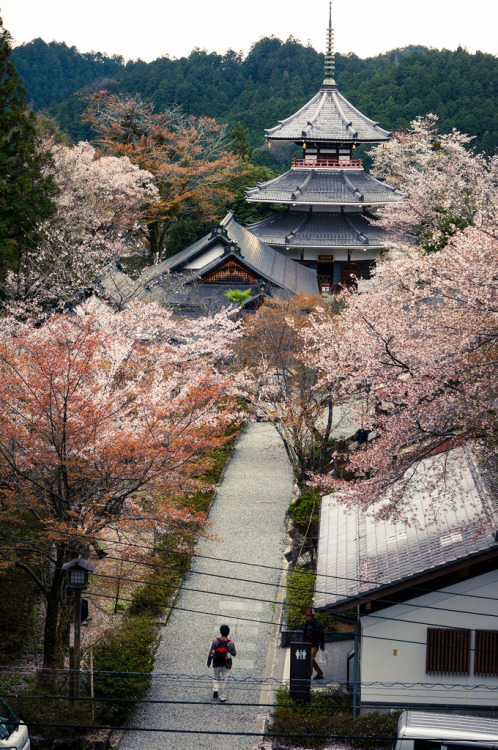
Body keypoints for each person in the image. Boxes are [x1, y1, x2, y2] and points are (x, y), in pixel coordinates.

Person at [207, 624, 236, 702]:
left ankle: (216, 689)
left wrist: (209, 662)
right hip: (226, 664)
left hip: (216, 663)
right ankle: (223, 697)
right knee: (224, 679)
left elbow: (211, 652)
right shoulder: (231, 643)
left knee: (216, 677)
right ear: (228, 633)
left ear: (220, 632)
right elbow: (234, 653)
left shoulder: (215, 641)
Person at [303, 608, 325, 679]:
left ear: (312, 616)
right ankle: (319, 673)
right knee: (311, 659)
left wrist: (322, 645)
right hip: (307, 644)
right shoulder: (306, 623)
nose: (309, 617)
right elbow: (304, 633)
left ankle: (308, 676)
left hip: (314, 645)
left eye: (310, 616)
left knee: (310, 660)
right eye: (307, 616)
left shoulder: (317, 624)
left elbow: (321, 635)